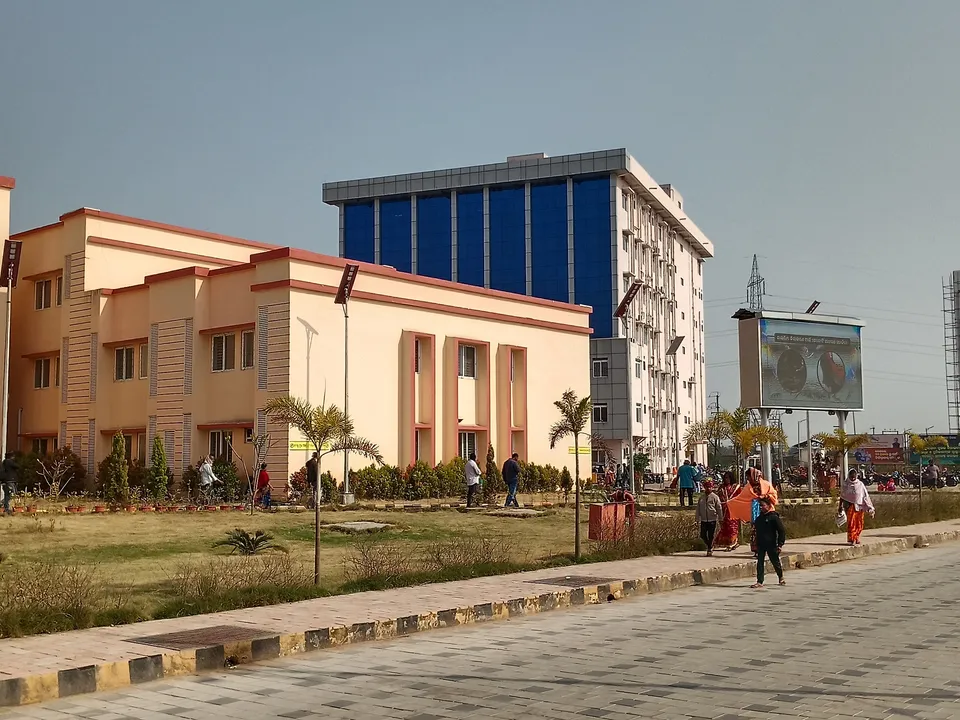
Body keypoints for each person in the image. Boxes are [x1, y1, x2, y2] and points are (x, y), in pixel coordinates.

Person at [726, 467, 778, 556]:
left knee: (767, 532)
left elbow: (774, 495)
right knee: (755, 531)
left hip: (767, 512)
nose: (748, 479)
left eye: (749, 477)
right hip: (755, 513)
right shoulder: (748, 487)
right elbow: (741, 498)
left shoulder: (766, 485)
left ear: (754, 476)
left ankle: (769, 549)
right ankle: (757, 550)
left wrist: (765, 497)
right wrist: (730, 503)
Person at [752, 496, 786, 588]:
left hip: (771, 544)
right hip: (761, 544)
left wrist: (780, 544)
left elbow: (781, 531)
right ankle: (760, 581)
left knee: (775, 561)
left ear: (768, 506)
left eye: (763, 505)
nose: (761, 507)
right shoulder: (759, 519)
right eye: (760, 506)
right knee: (760, 562)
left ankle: (780, 577)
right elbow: (756, 532)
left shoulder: (774, 517)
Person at [839, 468, 875, 545]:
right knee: (851, 524)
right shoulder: (845, 484)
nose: (852, 478)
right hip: (849, 506)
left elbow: (865, 496)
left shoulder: (860, 484)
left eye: (854, 477)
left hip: (860, 507)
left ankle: (857, 537)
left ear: (856, 476)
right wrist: (840, 506)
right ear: (849, 476)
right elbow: (842, 496)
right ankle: (852, 539)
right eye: (851, 477)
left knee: (859, 524)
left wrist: (870, 508)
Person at [695, 480, 724, 556]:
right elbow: (698, 508)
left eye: (709, 487)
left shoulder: (715, 497)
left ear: (712, 487)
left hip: (712, 519)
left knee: (711, 535)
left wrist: (720, 518)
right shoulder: (701, 497)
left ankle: (709, 549)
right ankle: (709, 546)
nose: (708, 489)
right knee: (702, 535)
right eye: (706, 487)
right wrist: (697, 518)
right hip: (704, 519)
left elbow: (719, 508)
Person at [715, 471, 741, 551]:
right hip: (724, 510)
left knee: (733, 527)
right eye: (725, 478)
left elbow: (740, 497)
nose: (727, 480)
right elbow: (718, 497)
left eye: (728, 478)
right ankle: (729, 543)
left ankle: (732, 543)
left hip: (733, 510)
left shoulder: (736, 487)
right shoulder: (721, 487)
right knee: (725, 527)